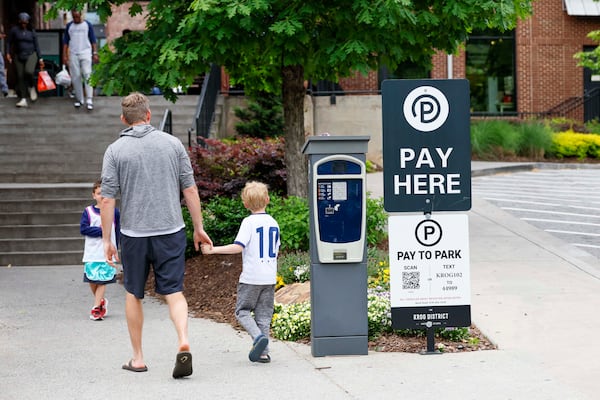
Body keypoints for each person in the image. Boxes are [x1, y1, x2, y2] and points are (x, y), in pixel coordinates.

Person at [100, 92, 212, 378]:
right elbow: (189, 189)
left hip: (134, 234)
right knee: (174, 292)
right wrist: (199, 227)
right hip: (171, 230)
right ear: (148, 115)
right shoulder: (172, 144)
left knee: (133, 294)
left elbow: (108, 199)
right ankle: (183, 339)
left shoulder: (115, 150)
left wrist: (107, 240)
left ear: (124, 119)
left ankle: (138, 358)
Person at [201, 181, 280, 364]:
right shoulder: (273, 223)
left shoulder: (248, 222)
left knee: (242, 311)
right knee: (264, 315)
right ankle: (263, 353)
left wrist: (214, 250)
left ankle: (257, 337)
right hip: (269, 277)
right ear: (267, 200)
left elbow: (238, 247)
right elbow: (276, 248)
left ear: (245, 204)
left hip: (252, 277)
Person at [80, 179, 120, 321]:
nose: (102, 196)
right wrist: (101, 231)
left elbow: (117, 231)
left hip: (107, 254)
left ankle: (96, 308)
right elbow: (83, 229)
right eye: (99, 193)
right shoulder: (88, 212)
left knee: (102, 280)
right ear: (93, 195)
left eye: (105, 193)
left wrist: (117, 248)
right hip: (92, 253)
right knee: (92, 280)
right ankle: (100, 301)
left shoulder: (114, 212)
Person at [62, 9, 98, 110]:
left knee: (87, 74)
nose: (76, 19)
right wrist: (64, 55)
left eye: (77, 17)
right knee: (75, 76)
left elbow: (93, 40)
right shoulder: (69, 26)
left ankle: (89, 99)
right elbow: (65, 42)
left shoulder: (87, 25)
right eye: (74, 17)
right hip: (73, 53)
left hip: (86, 52)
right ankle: (79, 99)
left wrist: (95, 53)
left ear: (81, 15)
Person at [6, 12, 44, 108]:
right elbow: (9, 42)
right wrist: (8, 53)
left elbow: (37, 45)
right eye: (22, 23)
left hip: (31, 54)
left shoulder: (32, 31)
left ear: (28, 22)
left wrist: (40, 58)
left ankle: (31, 86)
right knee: (20, 76)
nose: (24, 24)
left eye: (25, 23)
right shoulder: (14, 31)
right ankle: (23, 98)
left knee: (29, 71)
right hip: (18, 55)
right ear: (19, 22)